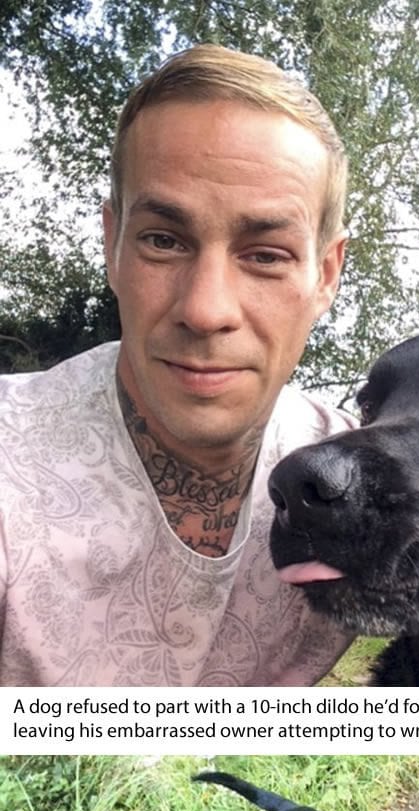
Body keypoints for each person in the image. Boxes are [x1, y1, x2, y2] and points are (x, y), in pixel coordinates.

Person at [0, 43, 352, 687]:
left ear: (325, 275)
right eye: (164, 241)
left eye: (266, 254)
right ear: (113, 247)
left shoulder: (363, 478)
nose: (206, 309)